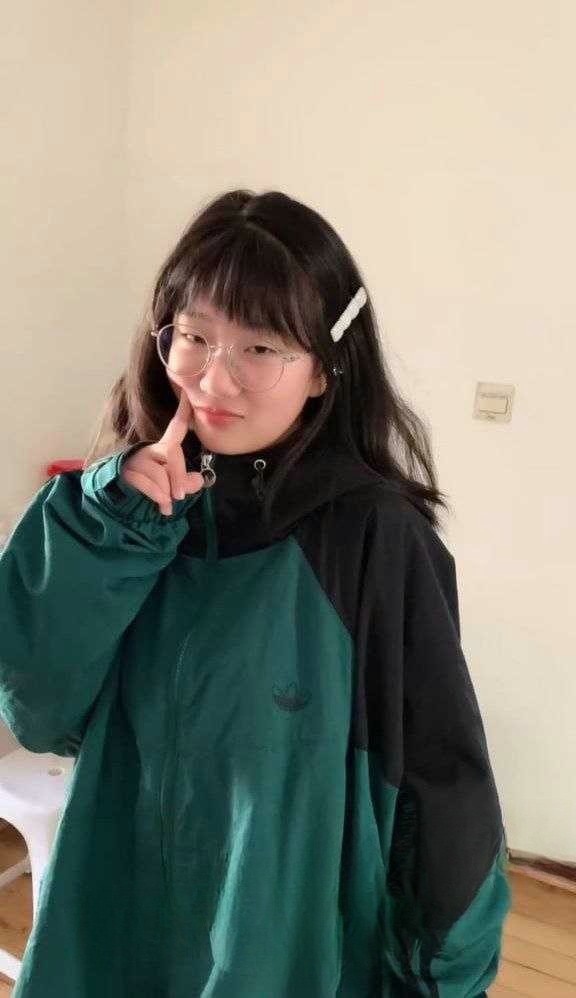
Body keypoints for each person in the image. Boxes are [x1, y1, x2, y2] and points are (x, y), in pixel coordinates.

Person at [0, 189, 512, 996]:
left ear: (325, 370)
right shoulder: (113, 516)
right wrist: (110, 532)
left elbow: (442, 783)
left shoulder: (372, 538)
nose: (214, 379)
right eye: (194, 336)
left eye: (261, 347)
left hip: (281, 949)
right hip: (115, 921)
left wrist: (442, 973)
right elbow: (39, 712)